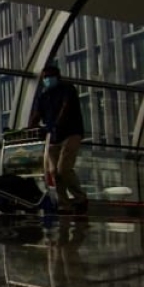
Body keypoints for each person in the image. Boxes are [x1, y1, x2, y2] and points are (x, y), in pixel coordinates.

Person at [28, 63, 89, 215]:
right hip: (53, 137)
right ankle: (64, 204)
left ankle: (80, 198)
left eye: (49, 77)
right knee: (54, 171)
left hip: (71, 133)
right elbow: (36, 114)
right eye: (44, 78)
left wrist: (57, 123)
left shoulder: (67, 89)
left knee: (63, 168)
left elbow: (66, 107)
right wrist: (30, 128)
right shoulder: (43, 95)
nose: (47, 80)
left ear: (57, 77)